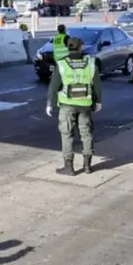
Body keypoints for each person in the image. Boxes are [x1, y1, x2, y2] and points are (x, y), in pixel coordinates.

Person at [46, 37, 102, 176]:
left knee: (67, 135)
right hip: (85, 105)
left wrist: (50, 103)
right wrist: (98, 101)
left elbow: (54, 86)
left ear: (68, 48)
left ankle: (69, 167)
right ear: (80, 47)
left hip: (67, 105)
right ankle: (88, 166)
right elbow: (97, 85)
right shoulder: (90, 63)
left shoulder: (62, 64)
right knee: (86, 134)